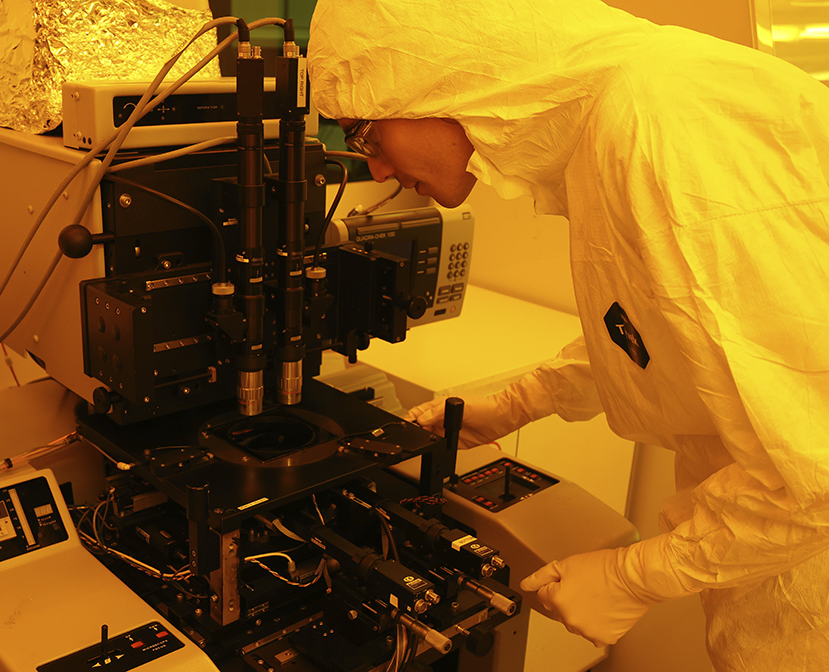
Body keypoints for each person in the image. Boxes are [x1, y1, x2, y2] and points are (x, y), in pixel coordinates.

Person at [306, 1, 829, 670]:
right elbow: (667, 328)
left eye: (366, 134)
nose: (374, 170)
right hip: (772, 541)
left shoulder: (663, 124)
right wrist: (520, 402)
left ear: (434, 78)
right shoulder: (623, 119)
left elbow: (813, 461)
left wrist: (634, 574)